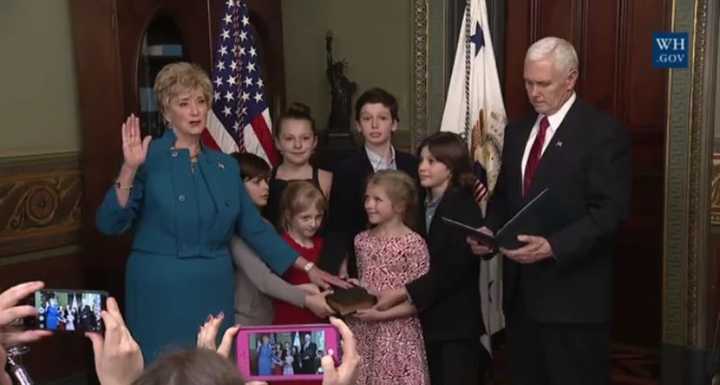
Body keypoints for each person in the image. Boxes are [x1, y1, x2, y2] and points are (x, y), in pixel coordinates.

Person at [95, 62, 344, 361]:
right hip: (158, 290)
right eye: (184, 104)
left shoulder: (225, 167)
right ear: (166, 112)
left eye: (201, 102)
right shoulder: (146, 159)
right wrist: (129, 168)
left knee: (211, 369)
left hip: (213, 288)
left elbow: (255, 228)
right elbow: (110, 223)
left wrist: (308, 267)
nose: (195, 111)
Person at [468, 37, 631, 385]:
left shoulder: (602, 133)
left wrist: (553, 246)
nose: (533, 92)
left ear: (570, 79)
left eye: (543, 84)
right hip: (521, 299)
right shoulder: (517, 131)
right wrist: (489, 233)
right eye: (528, 83)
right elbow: (504, 201)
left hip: (573, 302)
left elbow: (610, 212)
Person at [374, 132, 488, 384]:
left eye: (432, 161)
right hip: (427, 322)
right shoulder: (423, 204)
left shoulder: (462, 205)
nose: (422, 167)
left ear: (451, 167)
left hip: (454, 328)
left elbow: (454, 269)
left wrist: (403, 292)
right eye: (421, 160)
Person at [230, 152, 333, 326]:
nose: (265, 187)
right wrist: (306, 298)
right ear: (236, 185)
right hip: (245, 322)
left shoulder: (264, 225)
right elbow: (263, 279)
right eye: (257, 182)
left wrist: (303, 288)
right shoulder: (232, 227)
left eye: (267, 180)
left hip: (268, 319)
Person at [328, 88, 421, 277]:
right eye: (367, 118)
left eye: (382, 118)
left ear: (394, 124)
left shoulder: (413, 165)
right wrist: (340, 261)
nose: (375, 125)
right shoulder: (345, 170)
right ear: (358, 125)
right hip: (363, 262)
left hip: (409, 259)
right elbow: (339, 222)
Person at [348, 170, 430, 385]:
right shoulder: (361, 241)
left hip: (398, 336)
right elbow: (368, 282)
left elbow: (421, 298)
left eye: (377, 199)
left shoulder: (413, 243)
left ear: (400, 206)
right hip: (363, 331)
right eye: (367, 198)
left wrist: (382, 316)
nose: (368, 204)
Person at [264, 103, 332, 226]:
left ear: (315, 141)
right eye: (289, 139)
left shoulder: (327, 179)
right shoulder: (266, 179)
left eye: (305, 138)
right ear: (277, 143)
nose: (298, 145)